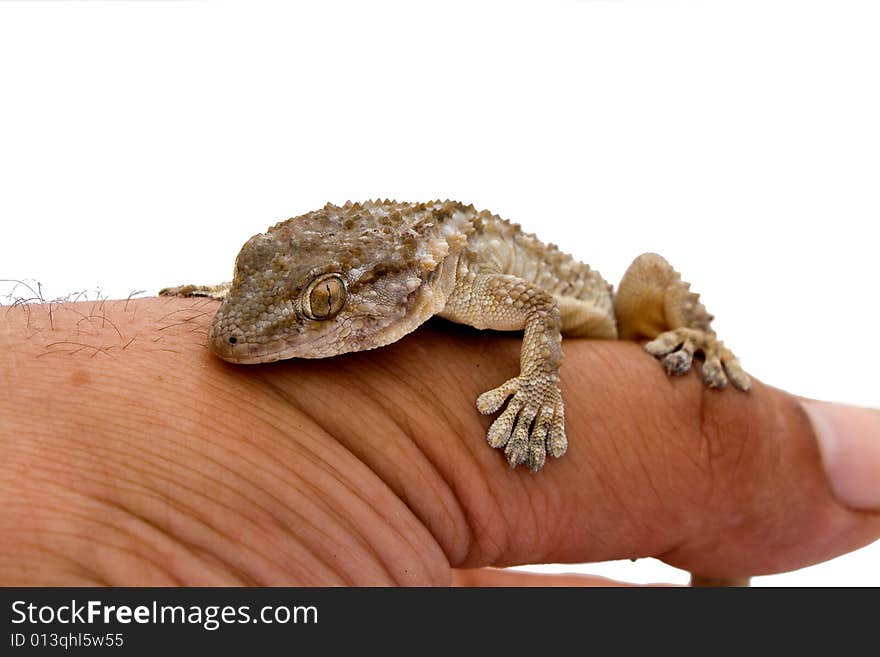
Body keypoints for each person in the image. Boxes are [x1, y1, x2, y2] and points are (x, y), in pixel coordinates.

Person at [0, 297, 877, 586]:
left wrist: (541, 387)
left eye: (327, 303)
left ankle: (703, 341)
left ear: (403, 286)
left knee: (645, 279)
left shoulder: (468, 281)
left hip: (617, 327)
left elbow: (542, 312)